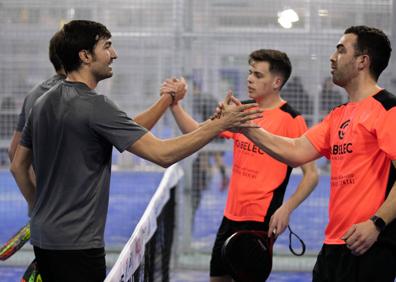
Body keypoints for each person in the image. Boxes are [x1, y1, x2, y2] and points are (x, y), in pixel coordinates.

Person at [9, 20, 261, 282]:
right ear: (85, 56)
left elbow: (18, 165)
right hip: (78, 246)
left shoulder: (41, 102)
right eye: (107, 47)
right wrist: (222, 124)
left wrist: (39, 209)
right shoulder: (95, 106)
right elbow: (163, 154)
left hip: (44, 238)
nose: (114, 54)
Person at [234, 26, 396, 281]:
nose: (333, 57)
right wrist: (245, 127)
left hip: (370, 245)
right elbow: (296, 150)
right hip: (333, 245)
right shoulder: (338, 115)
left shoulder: (387, 109)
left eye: (341, 50)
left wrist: (377, 223)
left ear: (363, 61)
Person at [161, 49, 319, 282]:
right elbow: (196, 132)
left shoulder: (292, 119)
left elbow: (311, 175)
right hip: (230, 216)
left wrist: (287, 209)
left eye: (257, 75)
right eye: (249, 73)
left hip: (259, 221)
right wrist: (174, 105)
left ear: (276, 82)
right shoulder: (241, 110)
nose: (249, 79)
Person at [8, 30, 66, 172]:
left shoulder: (33, 94)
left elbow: (14, 151)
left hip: (42, 190)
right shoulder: (80, 98)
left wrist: (35, 193)